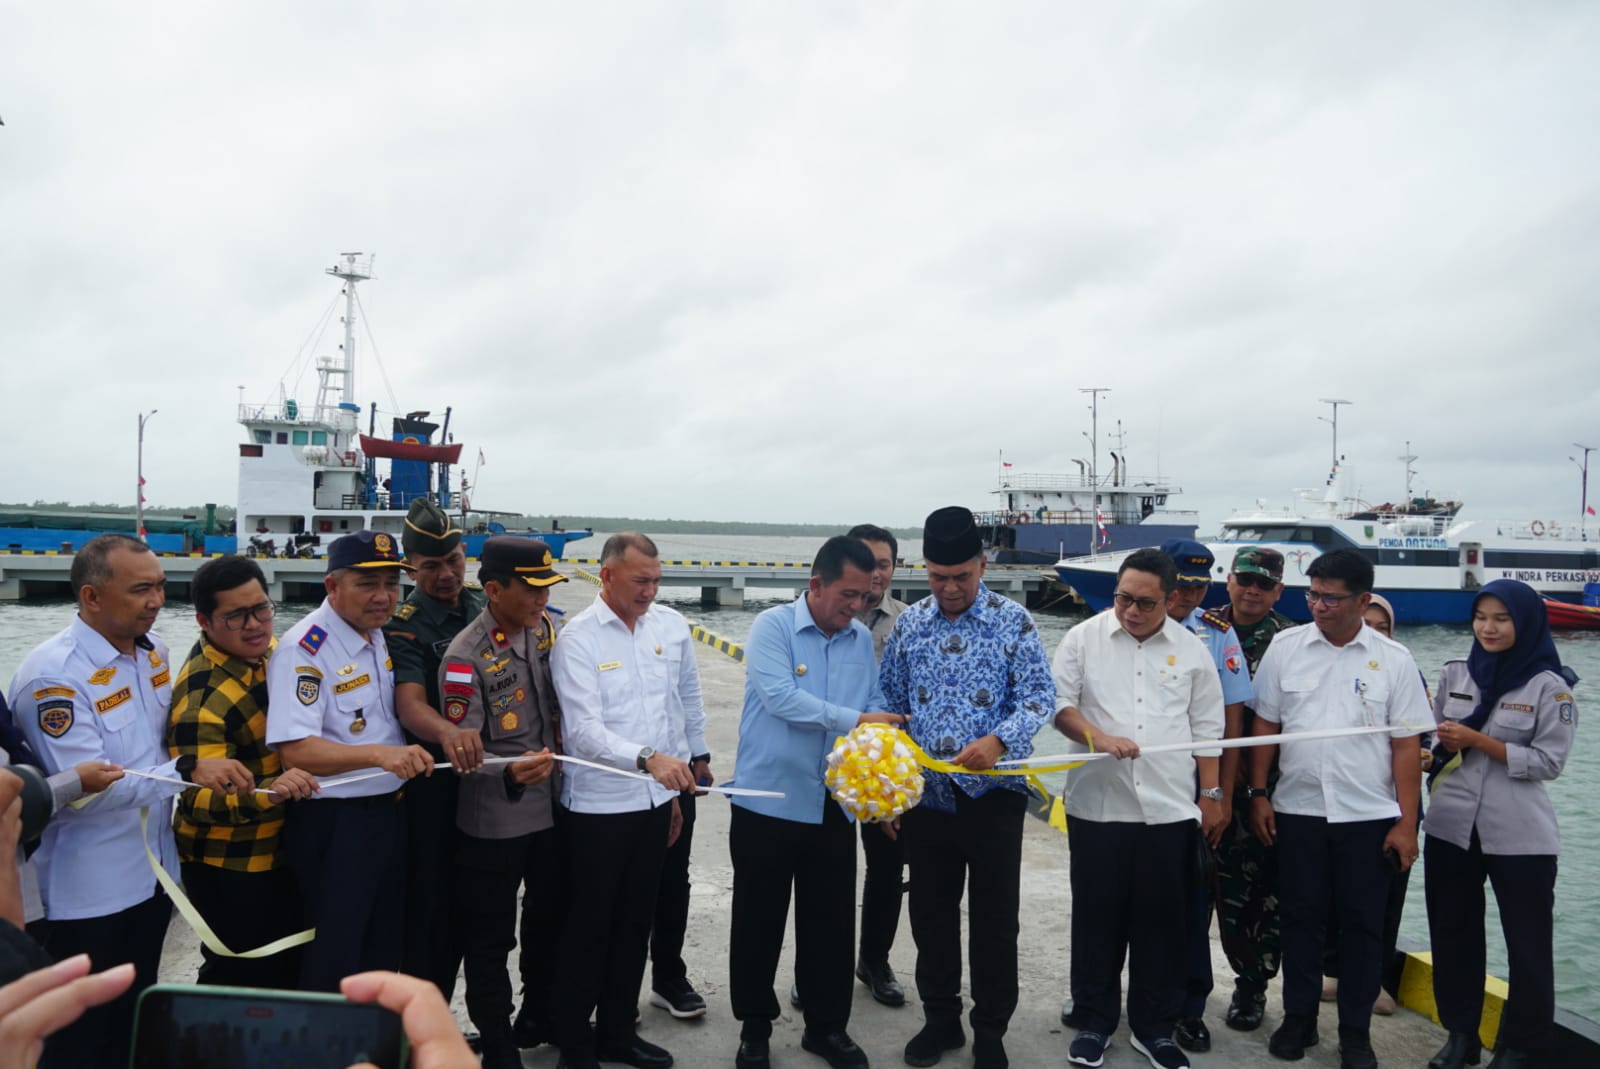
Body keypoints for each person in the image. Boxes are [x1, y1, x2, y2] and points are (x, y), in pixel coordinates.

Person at [7, 533, 253, 1067]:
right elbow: (86, 794)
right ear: (92, 597)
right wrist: (188, 770)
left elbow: (159, 742)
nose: (157, 601)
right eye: (141, 589)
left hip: (153, 876)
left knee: (135, 1020)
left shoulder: (154, 652)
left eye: (161, 587)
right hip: (86, 893)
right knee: (80, 1038)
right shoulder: (54, 678)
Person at [879, 506, 1055, 1069]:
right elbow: (892, 708)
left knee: (995, 918)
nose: (950, 588)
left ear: (983, 565)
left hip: (995, 798)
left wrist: (999, 741)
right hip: (927, 799)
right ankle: (941, 1020)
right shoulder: (910, 625)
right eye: (937, 577)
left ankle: (991, 1029)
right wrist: (891, 791)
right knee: (930, 912)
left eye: (962, 576)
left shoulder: (1014, 622)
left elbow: (1037, 699)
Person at [1246, 549, 1427, 1069]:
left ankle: (1355, 1033)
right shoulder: (1286, 648)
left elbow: (1405, 747)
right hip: (1298, 809)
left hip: (1368, 816)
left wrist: (1406, 823)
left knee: (1363, 926)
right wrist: (1258, 795)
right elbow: (1266, 728)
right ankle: (1298, 1019)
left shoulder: (1394, 661)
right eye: (1313, 595)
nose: (1319, 606)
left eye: (1331, 597)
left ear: (1363, 599)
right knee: (1300, 919)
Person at [728, 536, 903, 1069]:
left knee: (829, 924)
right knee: (759, 920)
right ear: (816, 585)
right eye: (847, 595)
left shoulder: (856, 640)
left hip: (831, 803)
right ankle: (755, 1029)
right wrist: (855, 720)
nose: (856, 606)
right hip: (768, 800)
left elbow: (873, 702)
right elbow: (781, 698)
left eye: (865, 596)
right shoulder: (773, 628)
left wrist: (883, 785)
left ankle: (826, 1029)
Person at [1054, 547, 1226, 1069]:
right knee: (1096, 920)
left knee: (1162, 924)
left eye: (1145, 603)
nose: (1131, 610)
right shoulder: (1082, 639)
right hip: (1098, 806)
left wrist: (1211, 797)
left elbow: (1208, 730)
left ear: (1170, 599)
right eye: (1123, 598)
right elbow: (1060, 706)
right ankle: (1093, 1021)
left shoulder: (1194, 650)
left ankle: (1155, 1028)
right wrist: (1097, 737)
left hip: (1169, 809)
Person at [548, 532, 699, 1069]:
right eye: (641, 581)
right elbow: (583, 732)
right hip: (597, 812)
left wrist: (673, 787)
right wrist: (647, 759)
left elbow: (671, 714)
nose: (650, 591)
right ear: (607, 576)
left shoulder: (662, 627)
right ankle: (574, 1040)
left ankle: (618, 1030)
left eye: (657, 580)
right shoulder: (580, 638)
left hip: (653, 805)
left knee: (636, 923)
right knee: (589, 927)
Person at [266, 529, 434, 991]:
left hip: (386, 816)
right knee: (336, 955)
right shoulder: (306, 649)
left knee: (382, 950)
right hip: (336, 825)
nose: (383, 596)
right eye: (367, 584)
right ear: (332, 586)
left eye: (390, 584)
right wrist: (381, 755)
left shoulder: (375, 634)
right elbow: (296, 751)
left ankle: (372, 1052)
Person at [1423, 580, 1576, 1069]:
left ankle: (1521, 1047)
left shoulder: (1550, 687)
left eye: (1502, 619)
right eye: (1481, 617)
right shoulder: (1455, 674)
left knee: (1528, 947)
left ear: (1526, 622)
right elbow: (1432, 742)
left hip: (1520, 837)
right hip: (1450, 828)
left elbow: (1549, 763)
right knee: (1452, 935)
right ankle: (1461, 1036)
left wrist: (1477, 739)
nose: (1488, 628)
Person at [437, 537, 566, 1069]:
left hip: (551, 809)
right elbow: (465, 754)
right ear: (493, 590)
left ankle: (537, 1014)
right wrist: (508, 769)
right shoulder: (465, 658)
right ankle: (497, 1043)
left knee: (547, 919)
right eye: (531, 590)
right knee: (491, 939)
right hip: (495, 817)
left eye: (545, 589)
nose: (541, 600)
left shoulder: (544, 631)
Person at [167, 555, 321, 989]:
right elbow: (195, 798)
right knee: (239, 972)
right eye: (235, 616)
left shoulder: (274, 655)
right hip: (230, 862)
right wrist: (272, 791)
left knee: (288, 966)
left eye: (261, 609)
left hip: (281, 845)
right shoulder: (202, 698)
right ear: (204, 620)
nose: (255, 625)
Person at [383, 499, 485, 1003]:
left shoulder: (479, 607)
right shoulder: (405, 624)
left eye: (455, 561)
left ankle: (452, 1018)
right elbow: (409, 703)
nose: (446, 575)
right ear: (410, 568)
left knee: (475, 908)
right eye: (431, 567)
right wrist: (447, 732)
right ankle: (419, 1022)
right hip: (433, 785)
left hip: (484, 781)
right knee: (429, 909)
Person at [1156, 539, 1253, 1055]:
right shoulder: (1120, 622)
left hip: (1198, 789)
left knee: (1194, 902)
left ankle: (1191, 1007)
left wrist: (1222, 796)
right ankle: (1114, 998)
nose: (1189, 597)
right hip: (1140, 788)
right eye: (1181, 585)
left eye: (1198, 586)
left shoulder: (1216, 636)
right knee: (1128, 899)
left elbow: (1232, 720)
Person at [1209, 546, 1297, 1032]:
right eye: (1245, 580)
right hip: (1202, 781)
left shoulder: (1291, 641)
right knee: (1193, 888)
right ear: (1230, 580)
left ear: (1278, 591)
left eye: (1265, 584)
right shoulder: (1200, 627)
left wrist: (1259, 785)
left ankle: (1251, 984)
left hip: (1264, 789)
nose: (1253, 590)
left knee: (1259, 893)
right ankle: (1188, 983)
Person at [847, 523, 910, 1007]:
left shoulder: (908, 622)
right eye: (866, 562)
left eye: (884, 564)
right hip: (828, 761)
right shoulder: (827, 612)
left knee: (887, 868)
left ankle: (875, 960)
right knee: (825, 871)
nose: (875, 573)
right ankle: (817, 965)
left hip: (883, 765)